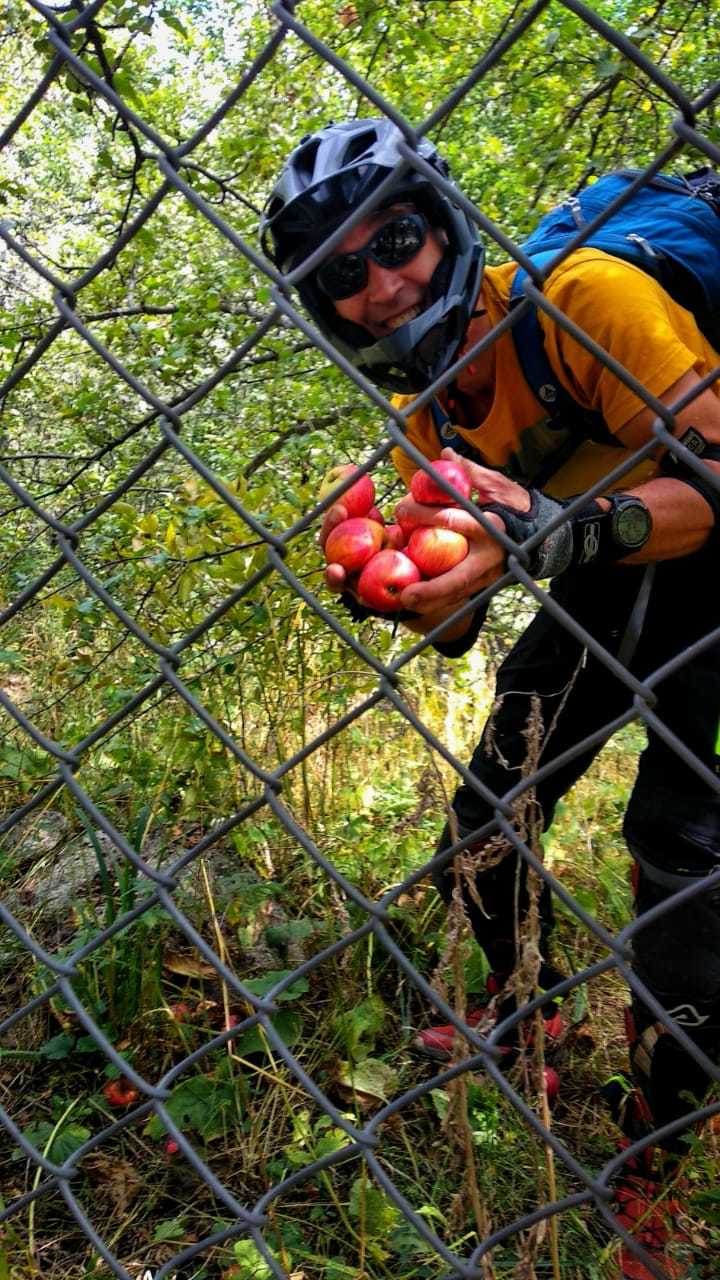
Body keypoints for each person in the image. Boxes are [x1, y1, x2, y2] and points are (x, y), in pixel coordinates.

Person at [261, 118, 720, 1279]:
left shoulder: (582, 294)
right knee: (484, 815)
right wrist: (398, 581)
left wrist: (561, 531)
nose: (381, 282)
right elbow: (460, 627)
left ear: (445, 223)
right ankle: (529, 1016)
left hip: (701, 551)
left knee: (677, 846)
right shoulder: (429, 421)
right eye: (343, 273)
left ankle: (653, 1159)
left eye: (397, 238)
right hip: (597, 564)